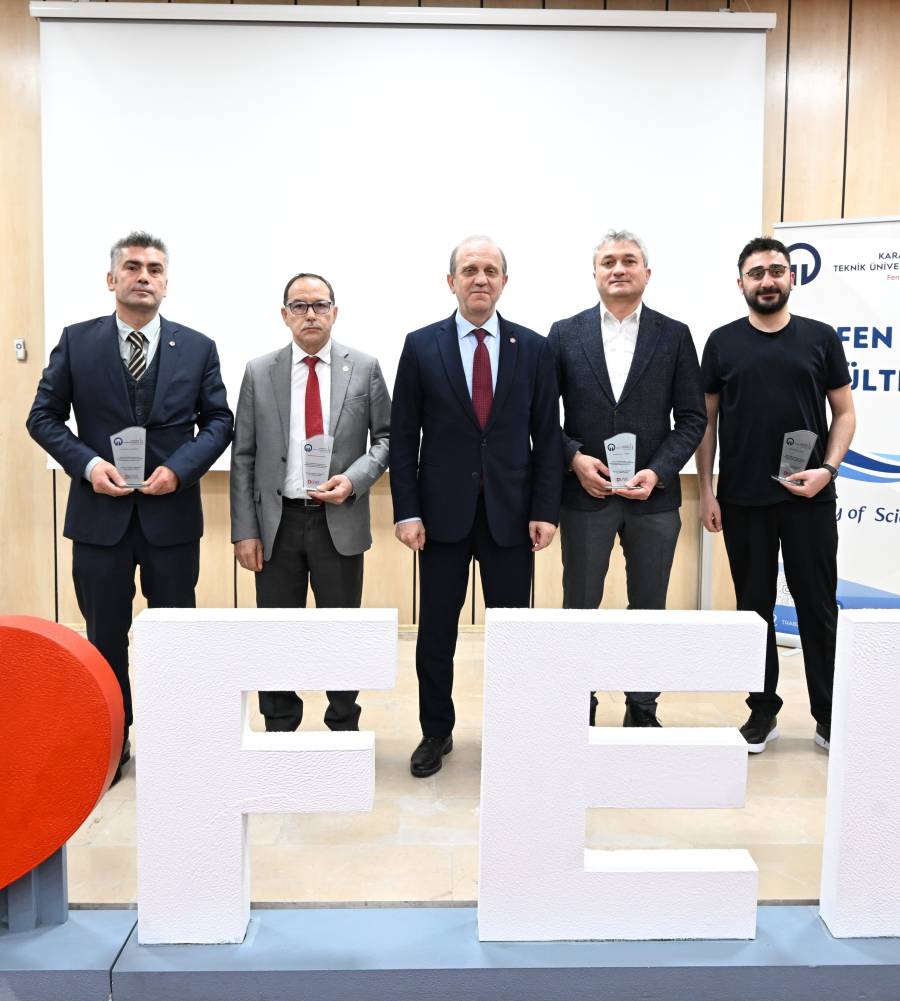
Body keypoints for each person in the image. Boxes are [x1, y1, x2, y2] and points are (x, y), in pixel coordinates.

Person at [27, 231, 233, 782]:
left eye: (155, 269)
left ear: (166, 282)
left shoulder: (198, 347)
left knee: (176, 640)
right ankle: (111, 740)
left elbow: (220, 421)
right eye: (134, 267)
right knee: (104, 637)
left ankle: (175, 743)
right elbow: (42, 417)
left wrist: (181, 469)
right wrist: (89, 464)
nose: (145, 276)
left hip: (172, 518)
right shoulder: (77, 342)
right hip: (100, 520)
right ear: (111, 278)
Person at [390, 236, 562, 777]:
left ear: (504, 282)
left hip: (512, 517)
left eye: (490, 270)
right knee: (435, 634)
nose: (480, 278)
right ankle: (435, 732)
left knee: (513, 636)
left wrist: (546, 510)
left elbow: (547, 437)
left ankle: (513, 733)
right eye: (469, 270)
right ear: (452, 282)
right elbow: (403, 437)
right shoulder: (421, 346)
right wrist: (407, 511)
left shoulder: (533, 348)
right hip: (440, 518)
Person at [697, 236, 856, 753]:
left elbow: (844, 413)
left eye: (776, 271)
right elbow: (706, 422)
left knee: (818, 607)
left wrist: (828, 470)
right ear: (740, 283)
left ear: (791, 277)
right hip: (743, 499)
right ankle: (762, 711)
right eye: (756, 273)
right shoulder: (721, 342)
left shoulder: (820, 338)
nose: (767, 280)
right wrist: (707, 491)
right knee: (754, 610)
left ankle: (829, 715)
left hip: (810, 497)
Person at [547, 230, 706, 727]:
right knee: (580, 607)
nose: (619, 269)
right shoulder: (564, 334)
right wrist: (574, 459)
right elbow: (541, 416)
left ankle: (642, 709)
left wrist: (657, 471)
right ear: (595, 273)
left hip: (652, 500)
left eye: (629, 261)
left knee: (649, 608)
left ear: (646, 273)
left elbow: (693, 418)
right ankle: (579, 706)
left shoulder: (674, 334)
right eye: (609, 261)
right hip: (584, 496)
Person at [230, 272, 390, 732]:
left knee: (341, 632)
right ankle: (279, 723)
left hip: (338, 519)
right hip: (277, 523)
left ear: (335, 312)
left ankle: (343, 722)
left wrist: (354, 481)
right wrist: (245, 530)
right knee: (276, 634)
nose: (310, 314)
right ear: (285, 315)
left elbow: (386, 439)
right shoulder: (259, 371)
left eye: (320, 305)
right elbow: (243, 455)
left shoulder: (364, 368)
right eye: (299, 306)